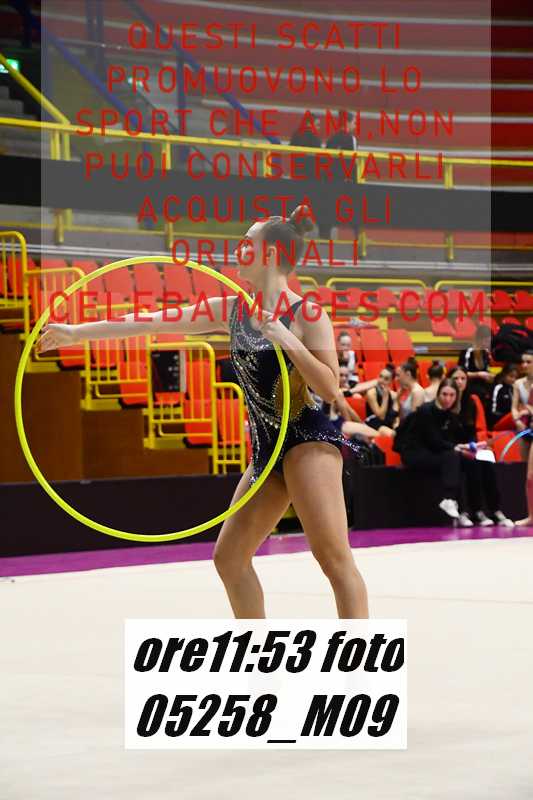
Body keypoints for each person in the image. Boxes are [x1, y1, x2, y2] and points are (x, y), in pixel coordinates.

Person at [37, 206, 369, 619]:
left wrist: (286, 337)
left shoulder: (307, 314)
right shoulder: (231, 310)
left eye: (247, 243)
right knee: (229, 559)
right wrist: (75, 333)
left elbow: (331, 388)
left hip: (307, 442)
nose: (238, 250)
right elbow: (150, 322)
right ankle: (257, 648)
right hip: (266, 450)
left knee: (333, 559)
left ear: (270, 254)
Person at [393, 378, 479, 522]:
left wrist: (467, 446)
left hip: (432, 451)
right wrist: (457, 448)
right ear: (438, 394)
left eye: (452, 395)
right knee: (452, 456)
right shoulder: (426, 411)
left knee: (469, 462)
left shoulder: (450, 414)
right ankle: (449, 499)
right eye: (444, 394)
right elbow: (433, 440)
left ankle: (472, 511)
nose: (448, 399)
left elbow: (452, 438)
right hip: (414, 453)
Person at [447, 365, 513, 527]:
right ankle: (473, 510)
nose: (460, 382)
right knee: (472, 465)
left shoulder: (473, 400)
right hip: (454, 447)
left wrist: (479, 445)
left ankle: (495, 509)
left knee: (487, 462)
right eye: (456, 378)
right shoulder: (447, 399)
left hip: (473, 444)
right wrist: (462, 447)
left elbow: (480, 427)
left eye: (463, 378)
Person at [512, 349, 533, 526]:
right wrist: (518, 419)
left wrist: (528, 410)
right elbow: (516, 407)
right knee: (528, 475)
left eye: (529, 362)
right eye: (523, 362)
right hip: (527, 429)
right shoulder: (519, 384)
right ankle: (531, 515)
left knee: (531, 474)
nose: (524, 365)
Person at [458, 323, 494, 406]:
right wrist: (478, 374)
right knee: (482, 393)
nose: (488, 344)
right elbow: (461, 373)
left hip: (481, 383)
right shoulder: (468, 351)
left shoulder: (485, 352)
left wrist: (490, 376)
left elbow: (486, 370)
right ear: (479, 339)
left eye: (489, 341)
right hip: (469, 383)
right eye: (486, 341)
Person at [364, 364, 398, 436]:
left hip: (388, 422)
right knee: (393, 434)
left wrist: (396, 425)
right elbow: (381, 416)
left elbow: (396, 415)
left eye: (386, 379)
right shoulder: (371, 393)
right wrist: (385, 397)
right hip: (374, 422)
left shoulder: (393, 395)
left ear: (391, 381)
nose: (381, 380)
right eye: (380, 376)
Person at [489, 363, 519, 430]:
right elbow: (493, 410)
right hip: (498, 421)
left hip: (510, 419)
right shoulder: (498, 388)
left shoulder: (513, 389)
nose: (513, 380)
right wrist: (508, 416)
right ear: (504, 375)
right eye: (511, 376)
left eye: (515, 377)